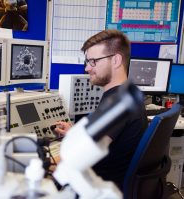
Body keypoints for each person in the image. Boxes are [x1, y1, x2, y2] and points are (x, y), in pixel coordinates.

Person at [54, 29, 148, 190]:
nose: (87, 68)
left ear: (116, 60)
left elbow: (75, 157)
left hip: (101, 187)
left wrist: (31, 161)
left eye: (93, 61)